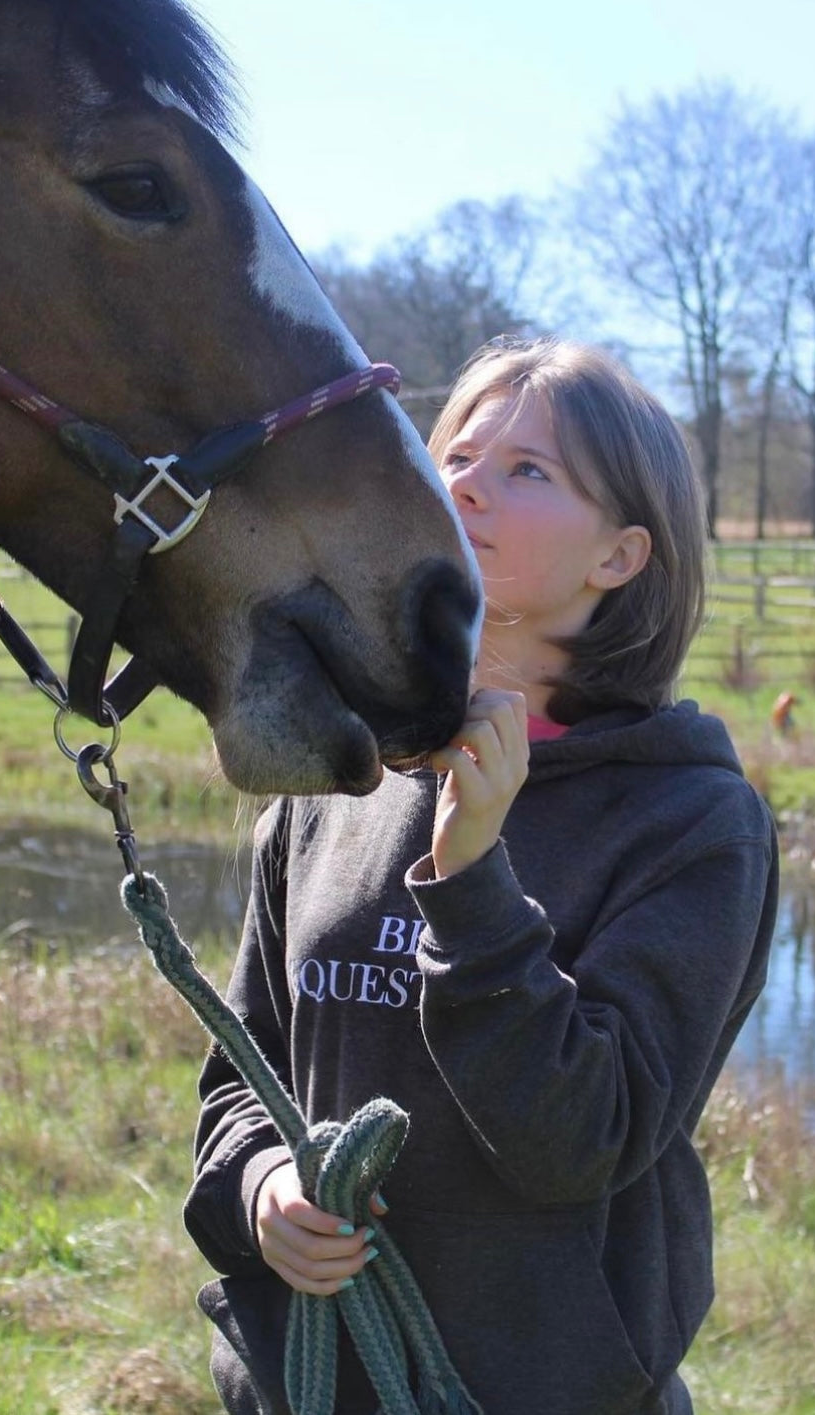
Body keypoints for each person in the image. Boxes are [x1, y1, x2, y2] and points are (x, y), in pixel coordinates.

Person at [184, 336, 779, 1415]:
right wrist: (260, 1187)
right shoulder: (336, 768)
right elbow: (242, 1075)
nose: (463, 481)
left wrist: (468, 881)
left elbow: (580, 1138)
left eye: (528, 471)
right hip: (305, 1383)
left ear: (620, 556)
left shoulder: (692, 821)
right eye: (454, 452)